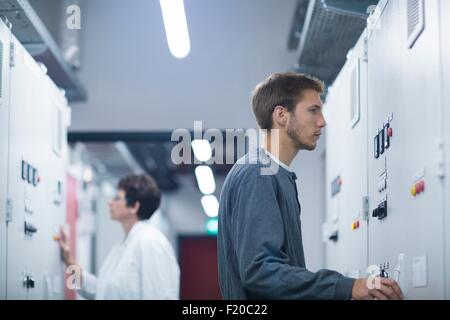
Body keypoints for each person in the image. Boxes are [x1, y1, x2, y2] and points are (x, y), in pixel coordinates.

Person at [217, 72, 404, 300]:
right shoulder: (257, 174)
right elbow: (260, 272)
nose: (322, 121)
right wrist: (347, 287)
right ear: (281, 115)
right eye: (313, 110)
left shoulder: (276, 174)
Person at [57, 174, 180, 299]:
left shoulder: (150, 243)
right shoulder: (125, 244)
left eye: (117, 198)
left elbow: (159, 295)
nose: (110, 203)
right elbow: (100, 292)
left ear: (134, 206)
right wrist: (69, 261)